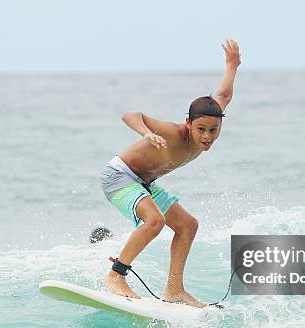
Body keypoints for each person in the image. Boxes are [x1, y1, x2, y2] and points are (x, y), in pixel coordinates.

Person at [100, 39, 241, 307]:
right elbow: (130, 114)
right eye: (200, 129)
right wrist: (147, 133)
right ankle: (116, 276)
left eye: (214, 130)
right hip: (119, 176)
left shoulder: (211, 117)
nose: (207, 136)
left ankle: (174, 290)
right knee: (155, 221)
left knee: (188, 226)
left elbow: (223, 96)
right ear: (188, 123)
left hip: (144, 183)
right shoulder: (173, 133)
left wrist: (231, 65)